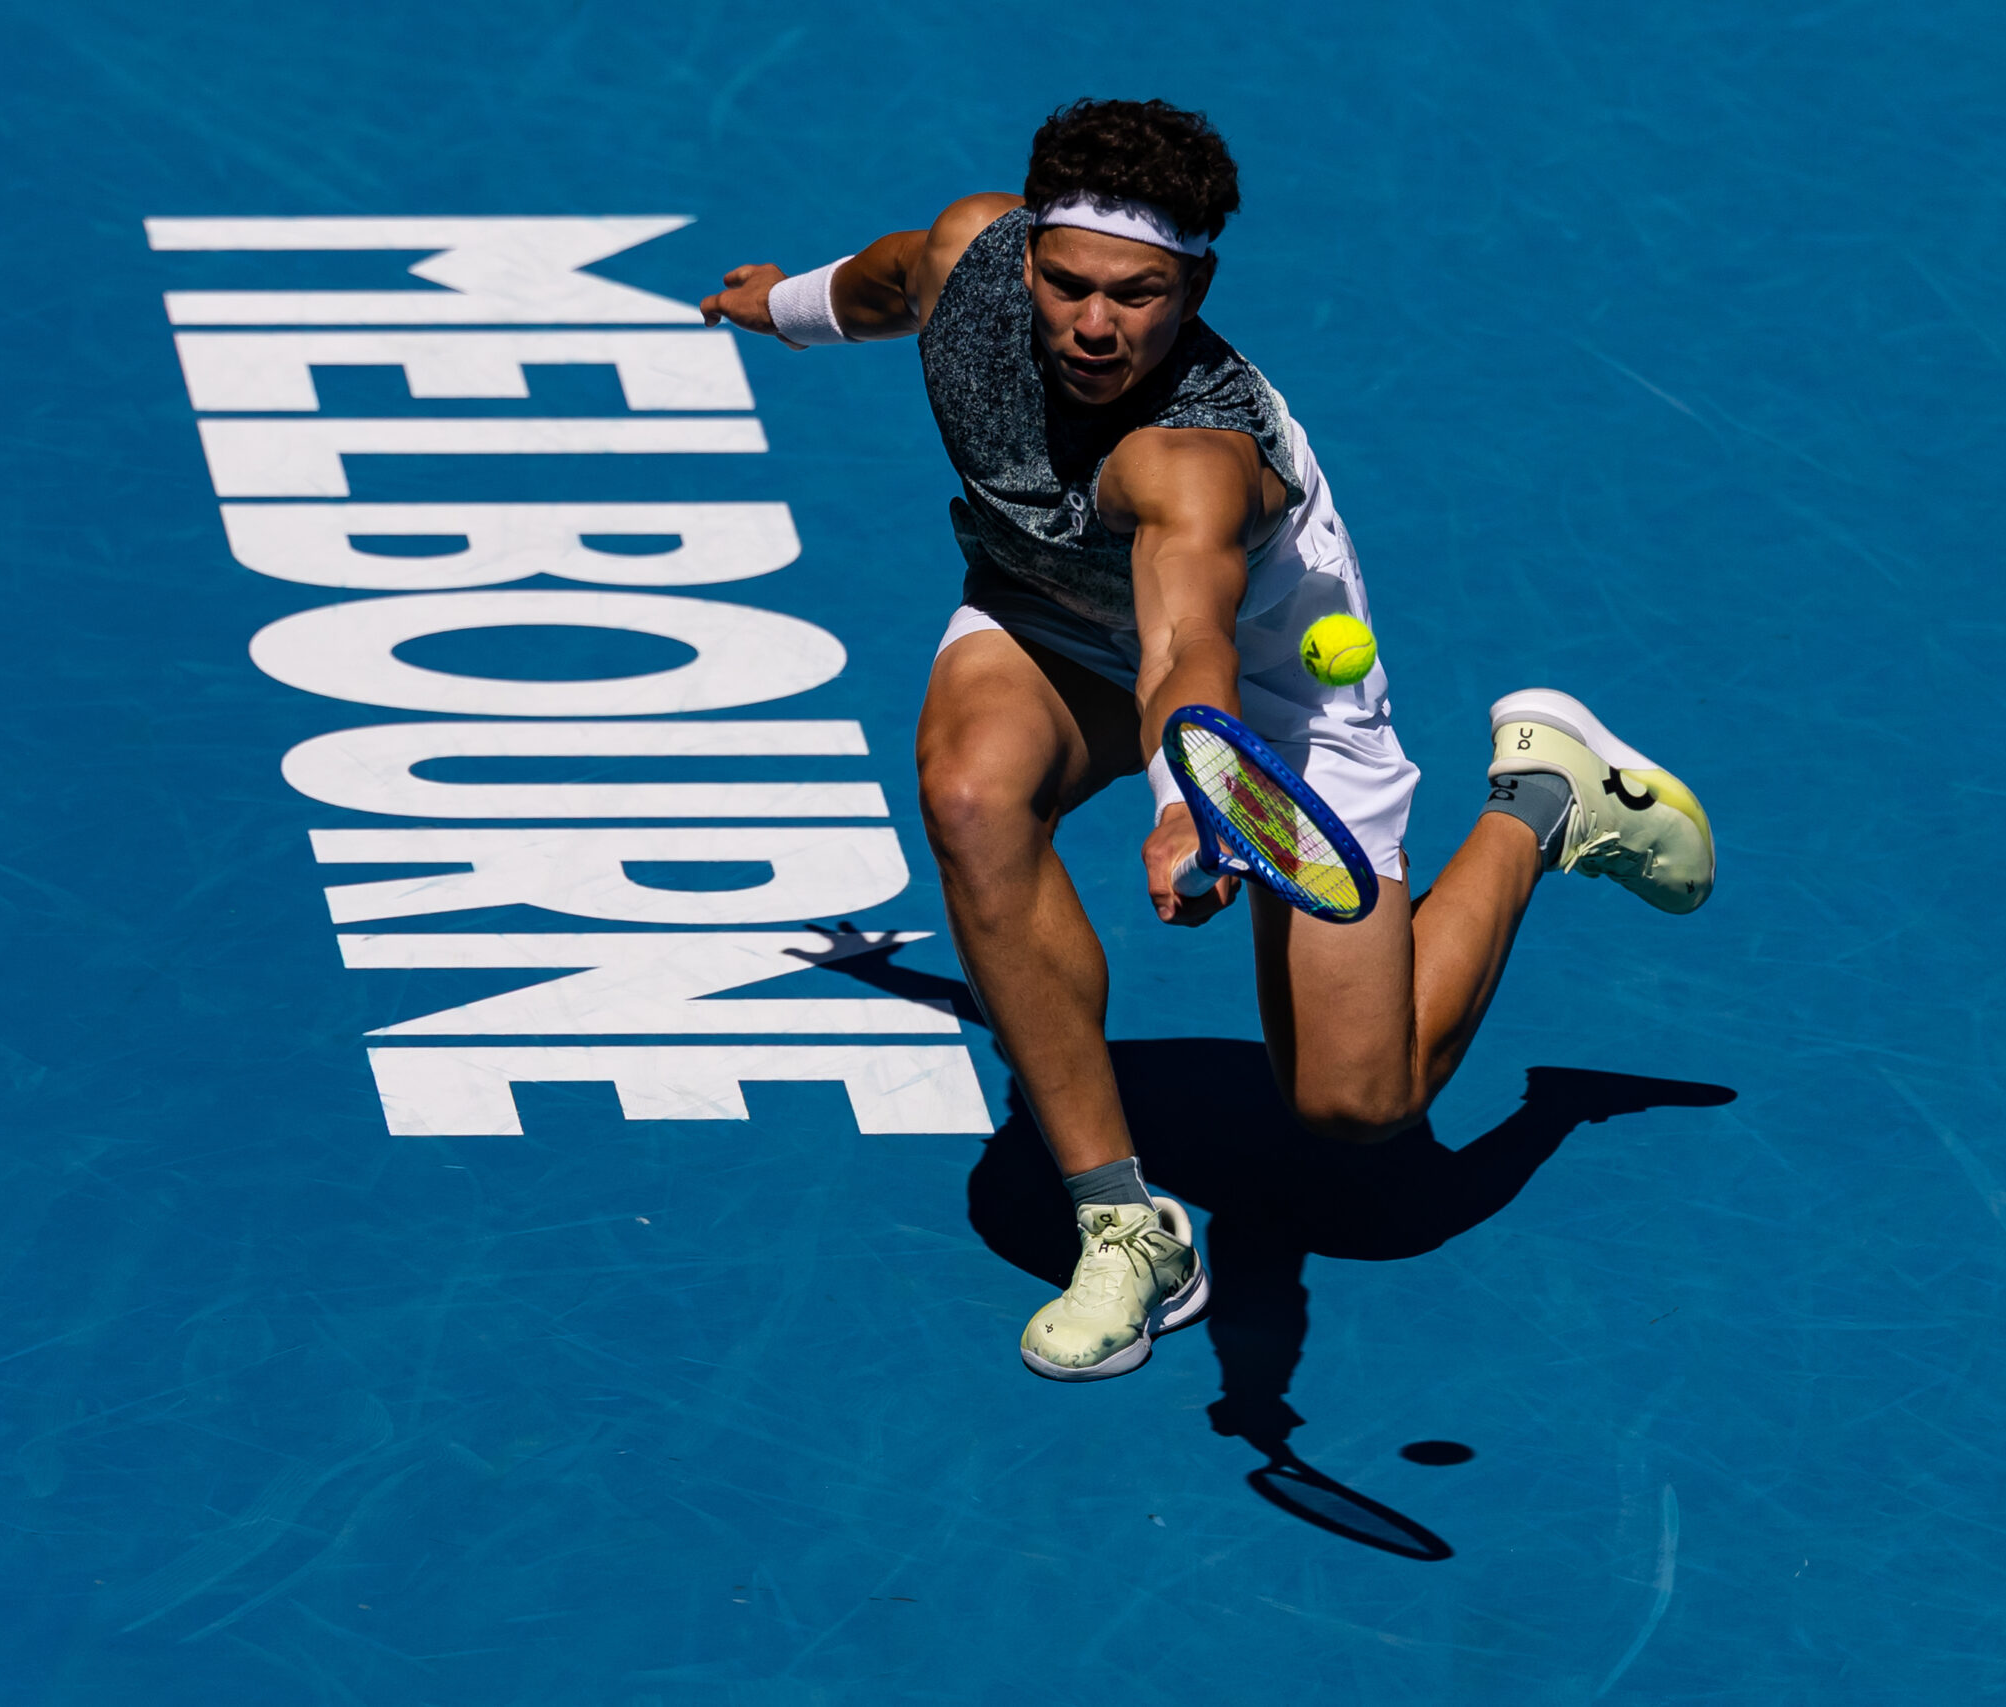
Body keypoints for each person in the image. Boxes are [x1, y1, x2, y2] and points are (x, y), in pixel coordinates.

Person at [702, 98, 1714, 1384]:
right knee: (970, 795)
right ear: (1021, 256)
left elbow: (1190, 648)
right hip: (1048, 625)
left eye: (1140, 295)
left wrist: (1193, 794)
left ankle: (1541, 800)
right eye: (1068, 284)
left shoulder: (1197, 458)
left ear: (1196, 287)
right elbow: (891, 280)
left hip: (1270, 694)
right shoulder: (969, 262)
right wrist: (777, 304)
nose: (1094, 324)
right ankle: (1126, 1226)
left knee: (1361, 1109)